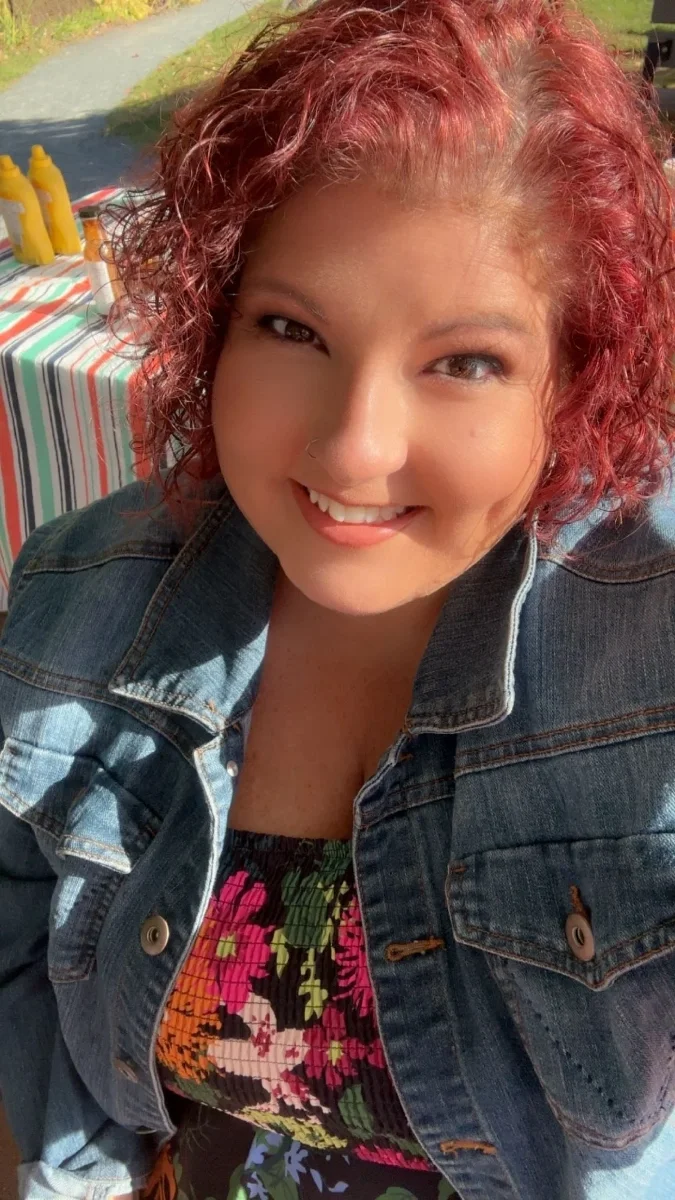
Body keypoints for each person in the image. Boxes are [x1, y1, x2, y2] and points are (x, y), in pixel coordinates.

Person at [1, 1, 675, 1198]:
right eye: (293, 328)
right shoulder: (76, 605)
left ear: (573, 383)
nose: (355, 450)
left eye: (465, 361)